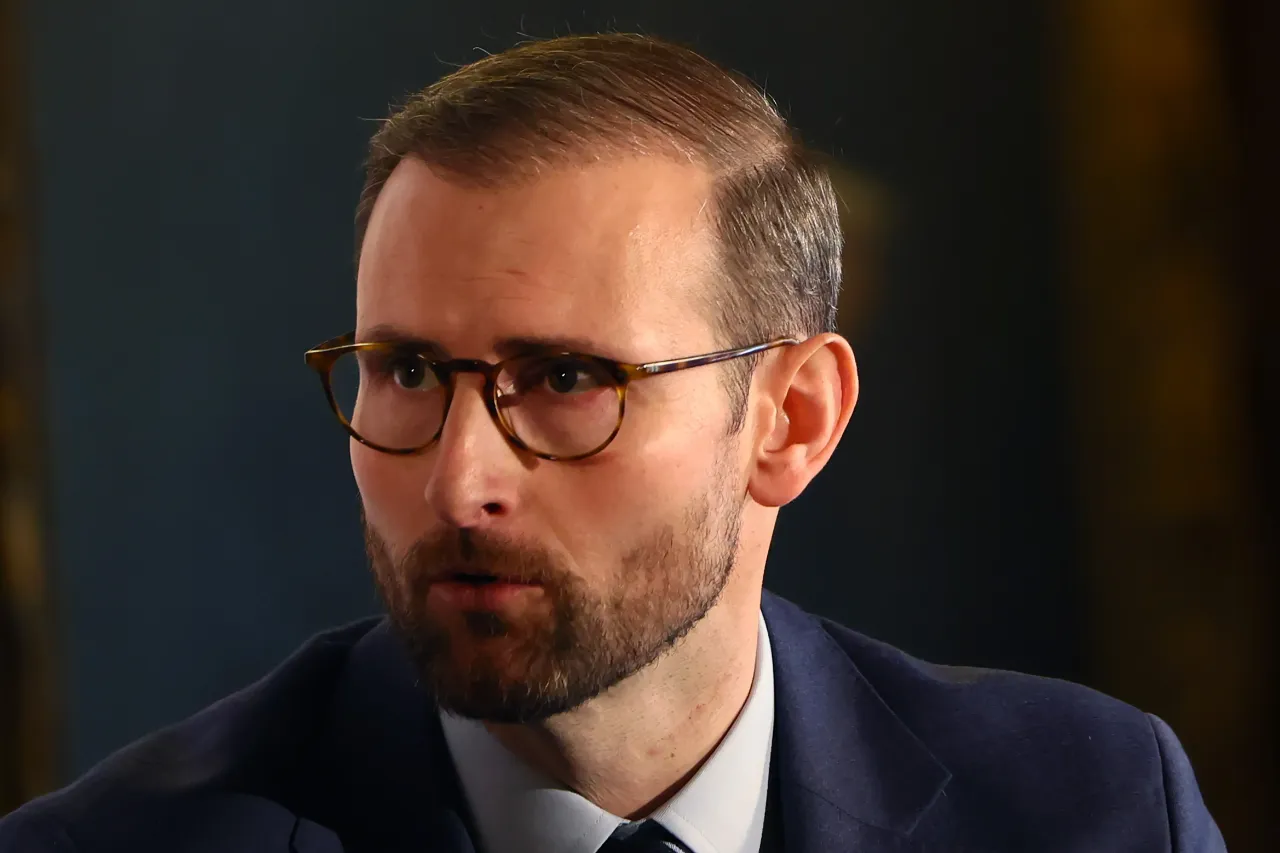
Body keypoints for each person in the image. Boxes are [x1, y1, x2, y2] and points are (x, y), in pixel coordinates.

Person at [0, 32, 1224, 853]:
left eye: (568, 378)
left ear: (790, 420)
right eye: (410, 370)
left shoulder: (1094, 810)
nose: (458, 478)